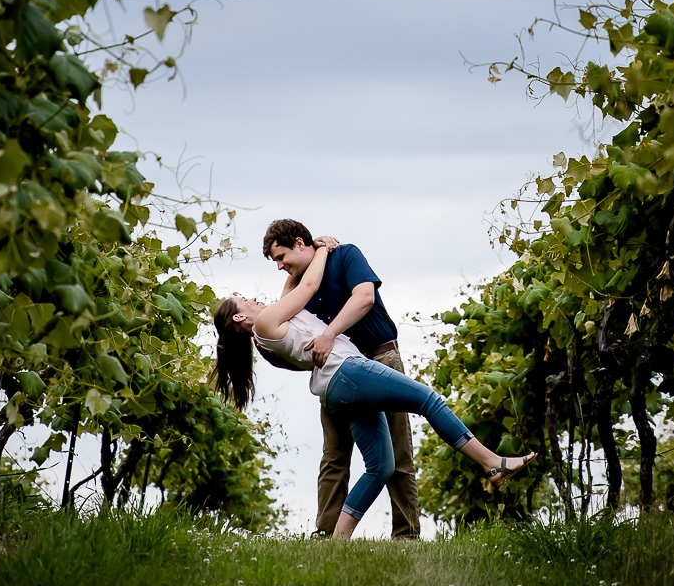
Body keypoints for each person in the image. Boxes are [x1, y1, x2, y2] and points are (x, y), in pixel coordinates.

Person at [213, 236, 533, 540]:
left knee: (381, 467)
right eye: (244, 299)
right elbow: (307, 286)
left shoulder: (268, 329)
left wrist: (305, 253)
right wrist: (322, 248)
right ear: (240, 315)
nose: (253, 298)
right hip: (348, 371)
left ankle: (338, 540)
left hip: (332, 388)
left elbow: (291, 291)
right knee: (429, 400)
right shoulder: (266, 323)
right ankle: (491, 461)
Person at [263, 219, 417, 538]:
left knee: (398, 454)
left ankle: (406, 536)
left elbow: (364, 297)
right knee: (334, 456)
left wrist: (330, 334)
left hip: (379, 358)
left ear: (299, 243)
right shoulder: (302, 284)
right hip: (336, 374)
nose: (279, 266)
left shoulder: (346, 255)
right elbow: (283, 315)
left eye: (281, 257)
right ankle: (326, 534)